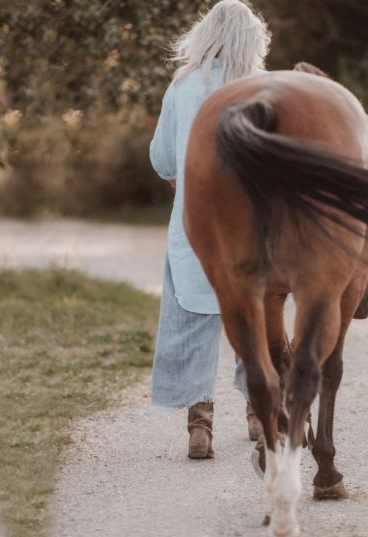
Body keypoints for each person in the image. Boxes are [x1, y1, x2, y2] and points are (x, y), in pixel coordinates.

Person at [149, 0, 272, 459]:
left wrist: (184, 176)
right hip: (250, 222)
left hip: (194, 222)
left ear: (204, 33)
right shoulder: (262, 87)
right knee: (253, 317)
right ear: (252, 38)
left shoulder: (182, 84)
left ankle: (200, 427)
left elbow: (161, 158)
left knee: (191, 319)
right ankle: (259, 414)